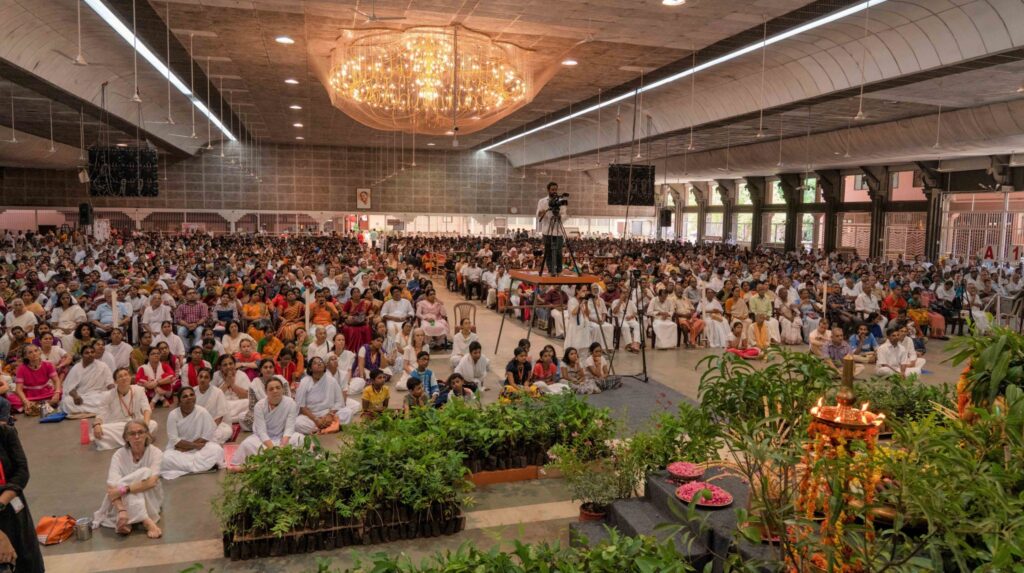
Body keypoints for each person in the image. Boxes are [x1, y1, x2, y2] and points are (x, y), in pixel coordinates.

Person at [92, 421, 164, 538]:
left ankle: (130, 521)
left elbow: (152, 482)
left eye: (140, 432)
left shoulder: (156, 453)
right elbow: (111, 488)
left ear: (147, 434)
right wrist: (121, 510)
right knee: (127, 487)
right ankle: (145, 521)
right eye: (132, 434)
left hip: (150, 497)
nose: (137, 437)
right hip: (123, 501)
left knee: (145, 472)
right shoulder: (119, 455)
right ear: (126, 437)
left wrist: (124, 490)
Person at [0, 424, 44, 573]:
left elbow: (22, 471)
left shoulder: (6, 433)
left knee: (27, 557)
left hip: (12, 505)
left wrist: (2, 501)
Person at [231, 377, 303, 467]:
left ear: (282, 390)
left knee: (300, 439)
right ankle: (280, 460)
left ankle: (270, 461)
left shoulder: (291, 403)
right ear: (266, 392)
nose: (275, 391)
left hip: (283, 437)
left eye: (278, 388)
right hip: (263, 439)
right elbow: (261, 432)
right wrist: (273, 450)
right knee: (247, 444)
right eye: (271, 389)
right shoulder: (260, 406)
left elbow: (289, 428)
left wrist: (282, 447)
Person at [159, 387, 224, 480]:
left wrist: (192, 447)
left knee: (216, 449)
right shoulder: (173, 415)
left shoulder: (202, 411)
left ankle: (186, 466)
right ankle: (204, 465)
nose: (189, 397)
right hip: (179, 451)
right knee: (165, 458)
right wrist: (194, 446)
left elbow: (209, 433)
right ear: (179, 400)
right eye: (185, 396)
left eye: (191, 395)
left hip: (198, 449)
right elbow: (174, 440)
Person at [93, 367, 158, 451]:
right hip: (117, 424)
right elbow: (101, 412)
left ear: (130, 377)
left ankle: (131, 438)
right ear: (115, 381)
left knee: (153, 424)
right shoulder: (108, 395)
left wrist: (145, 426)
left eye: (126, 375)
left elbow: (147, 409)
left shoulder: (139, 390)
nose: (124, 378)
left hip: (137, 423)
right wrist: (97, 425)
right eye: (120, 376)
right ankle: (139, 439)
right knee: (101, 430)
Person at [294, 357, 346, 434]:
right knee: (297, 423)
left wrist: (330, 415)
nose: (319, 363)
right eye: (315, 363)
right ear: (310, 369)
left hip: (329, 414)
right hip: (311, 416)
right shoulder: (304, 382)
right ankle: (328, 428)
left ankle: (321, 429)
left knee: (347, 413)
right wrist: (316, 420)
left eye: (321, 362)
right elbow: (301, 406)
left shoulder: (331, 380)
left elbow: (339, 401)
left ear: (324, 366)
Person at [60, 343, 113, 417]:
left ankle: (84, 411)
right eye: (87, 353)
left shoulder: (103, 366)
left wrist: (115, 393)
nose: (90, 354)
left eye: (92, 352)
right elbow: (70, 388)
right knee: (67, 401)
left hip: (98, 395)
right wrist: (76, 397)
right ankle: (98, 410)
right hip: (81, 396)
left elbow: (110, 383)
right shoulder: (76, 368)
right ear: (82, 355)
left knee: (108, 397)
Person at [12, 345, 61, 415]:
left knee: (62, 392)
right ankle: (44, 405)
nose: (34, 354)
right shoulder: (21, 368)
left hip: (45, 393)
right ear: (26, 356)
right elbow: (18, 389)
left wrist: (57, 393)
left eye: (36, 351)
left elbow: (56, 381)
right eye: (30, 352)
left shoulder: (48, 365)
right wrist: (25, 401)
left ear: (40, 352)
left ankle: (35, 406)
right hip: (29, 395)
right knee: (11, 399)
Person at [194, 368, 234, 444]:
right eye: (200, 376)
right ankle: (202, 442)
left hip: (216, 425)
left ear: (210, 379)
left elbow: (220, 416)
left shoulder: (218, 392)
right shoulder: (192, 392)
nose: (202, 379)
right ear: (197, 377)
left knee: (225, 432)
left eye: (206, 377)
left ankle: (202, 442)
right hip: (197, 425)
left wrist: (209, 429)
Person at [212, 355, 251, 423]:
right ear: (220, 367)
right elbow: (213, 397)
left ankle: (227, 419)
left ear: (235, 364)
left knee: (248, 403)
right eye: (225, 365)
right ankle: (237, 418)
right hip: (224, 404)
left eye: (230, 364)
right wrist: (226, 383)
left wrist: (233, 385)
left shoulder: (242, 375)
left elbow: (247, 396)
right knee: (216, 406)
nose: (228, 367)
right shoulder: (216, 376)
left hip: (239, 403)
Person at [537, 181, 565, 275]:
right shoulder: (542, 201)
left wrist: (560, 215)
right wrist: (546, 210)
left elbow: (564, 214)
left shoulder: (561, 201)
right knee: (548, 251)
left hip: (558, 231)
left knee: (558, 252)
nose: (554, 191)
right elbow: (538, 214)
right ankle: (550, 270)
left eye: (556, 189)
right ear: (548, 190)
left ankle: (559, 270)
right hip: (547, 230)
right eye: (552, 189)